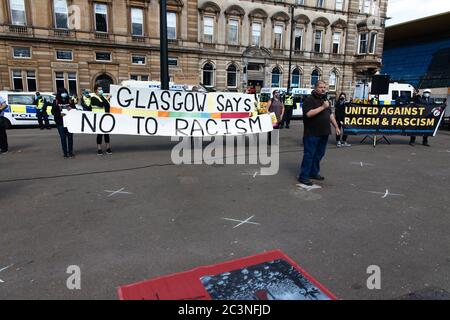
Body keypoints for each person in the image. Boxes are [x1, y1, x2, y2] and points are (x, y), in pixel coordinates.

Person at [298, 80, 341, 186]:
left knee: (319, 154)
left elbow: (330, 115)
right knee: (309, 155)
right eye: (321, 87)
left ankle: (313, 172)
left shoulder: (325, 99)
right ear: (315, 87)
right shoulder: (309, 100)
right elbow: (308, 114)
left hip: (324, 132)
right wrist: (323, 107)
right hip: (312, 133)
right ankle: (304, 176)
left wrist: (336, 127)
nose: (323, 89)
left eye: (324, 87)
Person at [52, 88, 75, 158]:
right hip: (60, 123)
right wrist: (59, 114)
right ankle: (65, 153)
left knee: (70, 138)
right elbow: (53, 111)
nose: (64, 94)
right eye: (62, 92)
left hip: (69, 123)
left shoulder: (70, 100)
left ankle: (70, 152)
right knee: (63, 138)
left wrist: (71, 109)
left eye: (65, 92)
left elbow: (75, 110)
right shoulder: (56, 101)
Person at [91, 84, 112, 155]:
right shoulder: (93, 98)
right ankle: (99, 149)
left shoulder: (102, 97)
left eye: (101, 89)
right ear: (95, 90)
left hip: (105, 118)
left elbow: (107, 105)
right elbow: (101, 104)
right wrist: (107, 98)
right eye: (99, 89)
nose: (101, 90)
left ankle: (108, 148)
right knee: (99, 134)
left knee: (106, 134)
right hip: (98, 119)